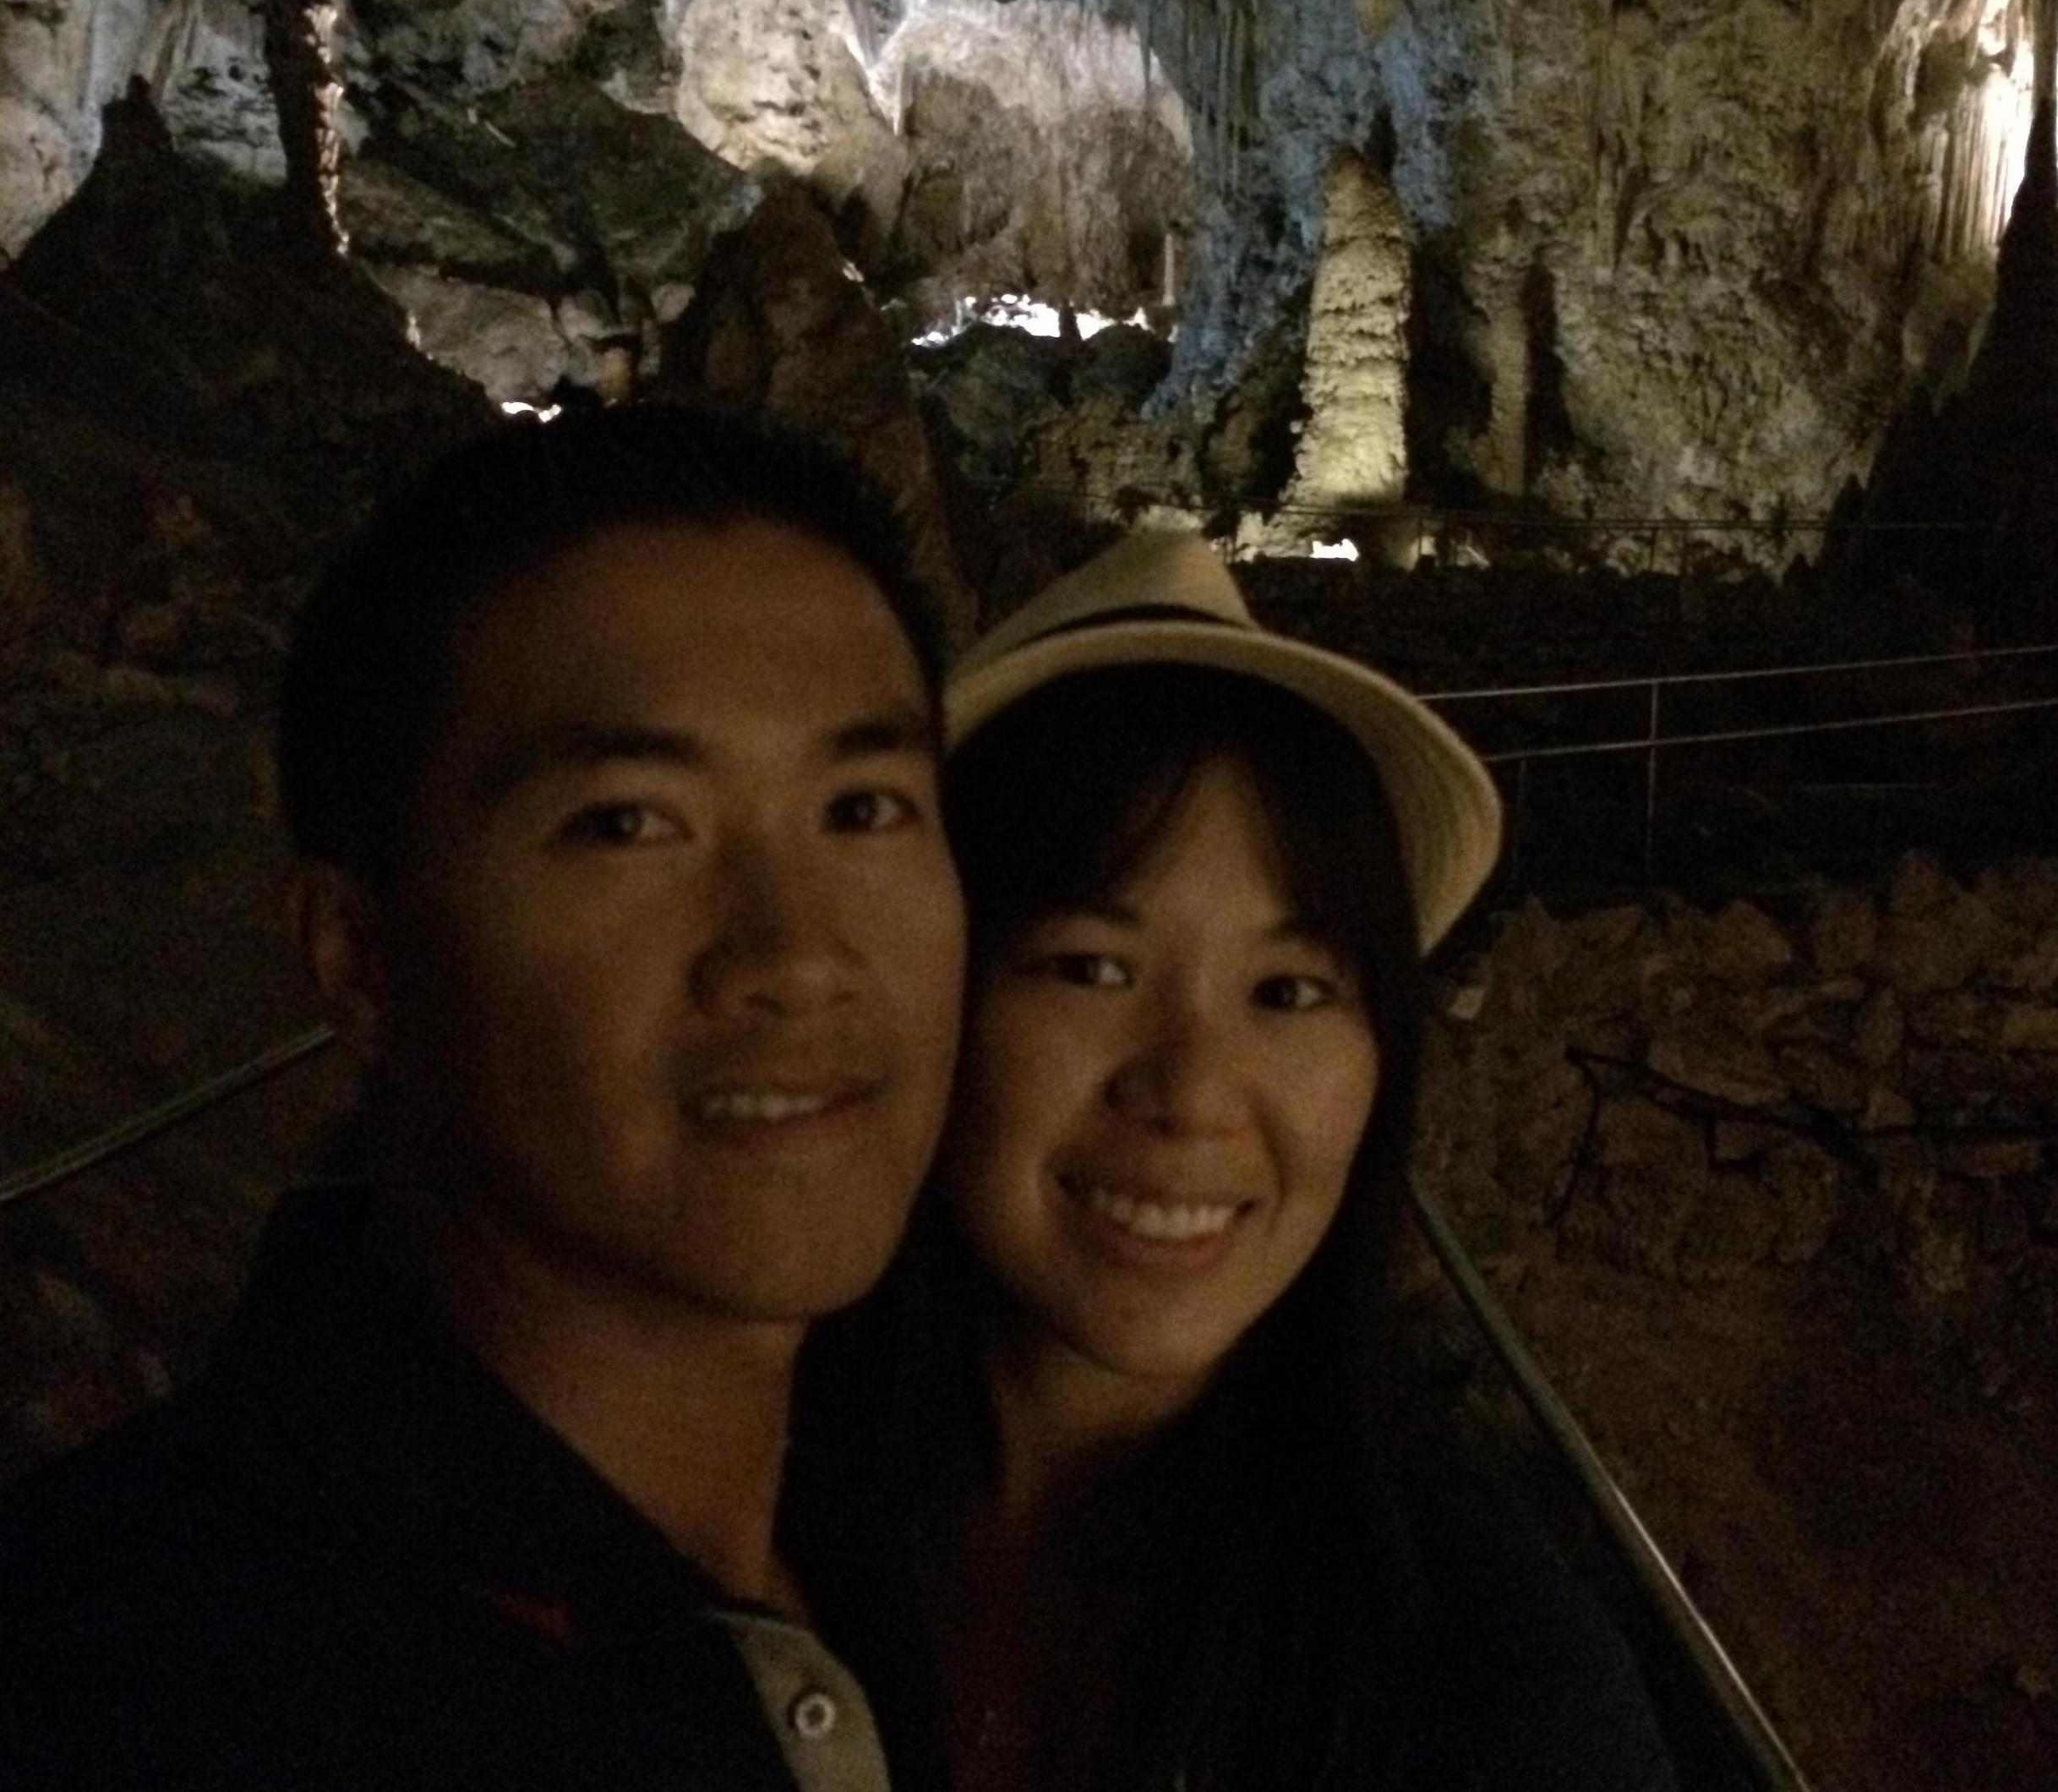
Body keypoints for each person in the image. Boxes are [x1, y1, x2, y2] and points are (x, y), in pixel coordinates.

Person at [0, 404, 968, 1792]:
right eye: (627, 824)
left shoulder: (889, 1533)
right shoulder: (149, 1686)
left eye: (863, 810)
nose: (797, 958)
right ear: (366, 959)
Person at [816, 528, 1677, 1792]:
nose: (1192, 1094)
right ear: (929, 995)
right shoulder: (709, 1501)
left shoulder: (1489, 1689)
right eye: (1091, 969)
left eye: (1289, 989)